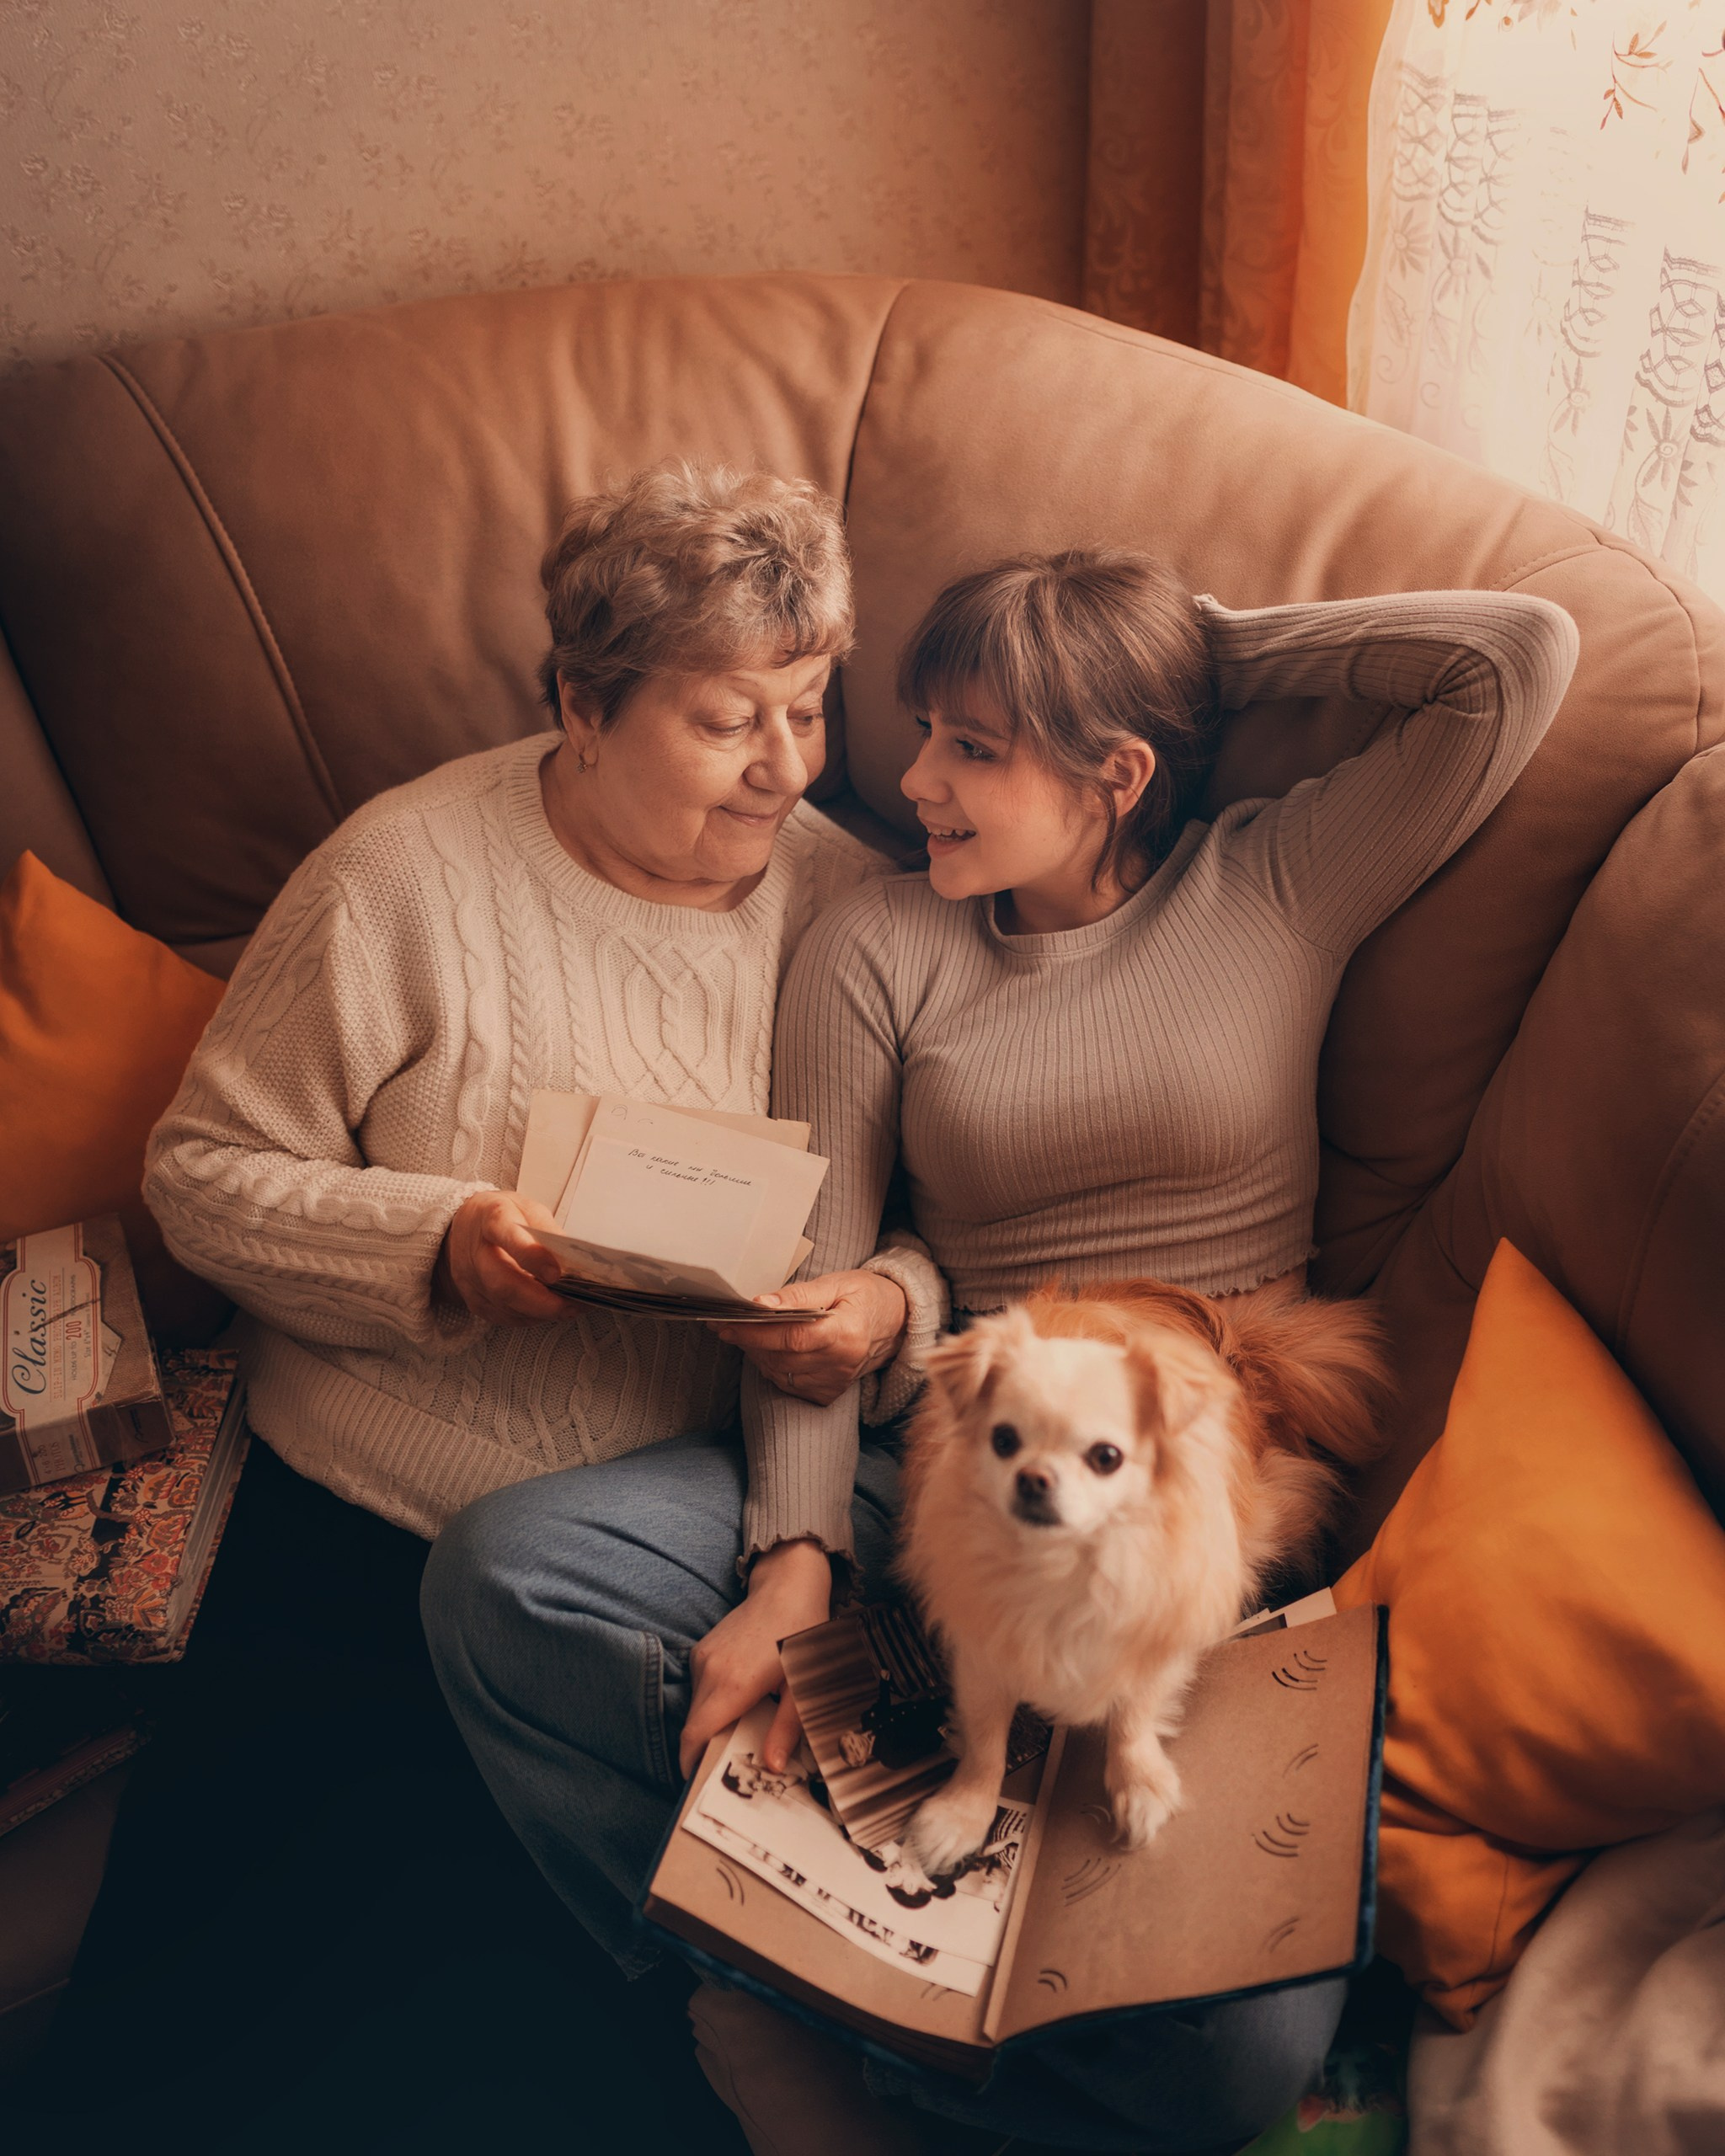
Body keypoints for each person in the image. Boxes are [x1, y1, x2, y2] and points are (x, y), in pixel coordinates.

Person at [421, 552, 1578, 2149]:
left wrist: (1195, 655)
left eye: (974, 747)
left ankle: (898, 2036)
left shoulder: (1276, 881)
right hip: (954, 1457)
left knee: (1237, 2054)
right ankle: (770, 2000)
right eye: (922, 734)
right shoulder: (878, 941)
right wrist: (797, 1562)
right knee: (507, 1577)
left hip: (1200, 1502)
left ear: (1119, 775)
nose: (912, 783)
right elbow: (815, 1288)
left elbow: (1514, 660)